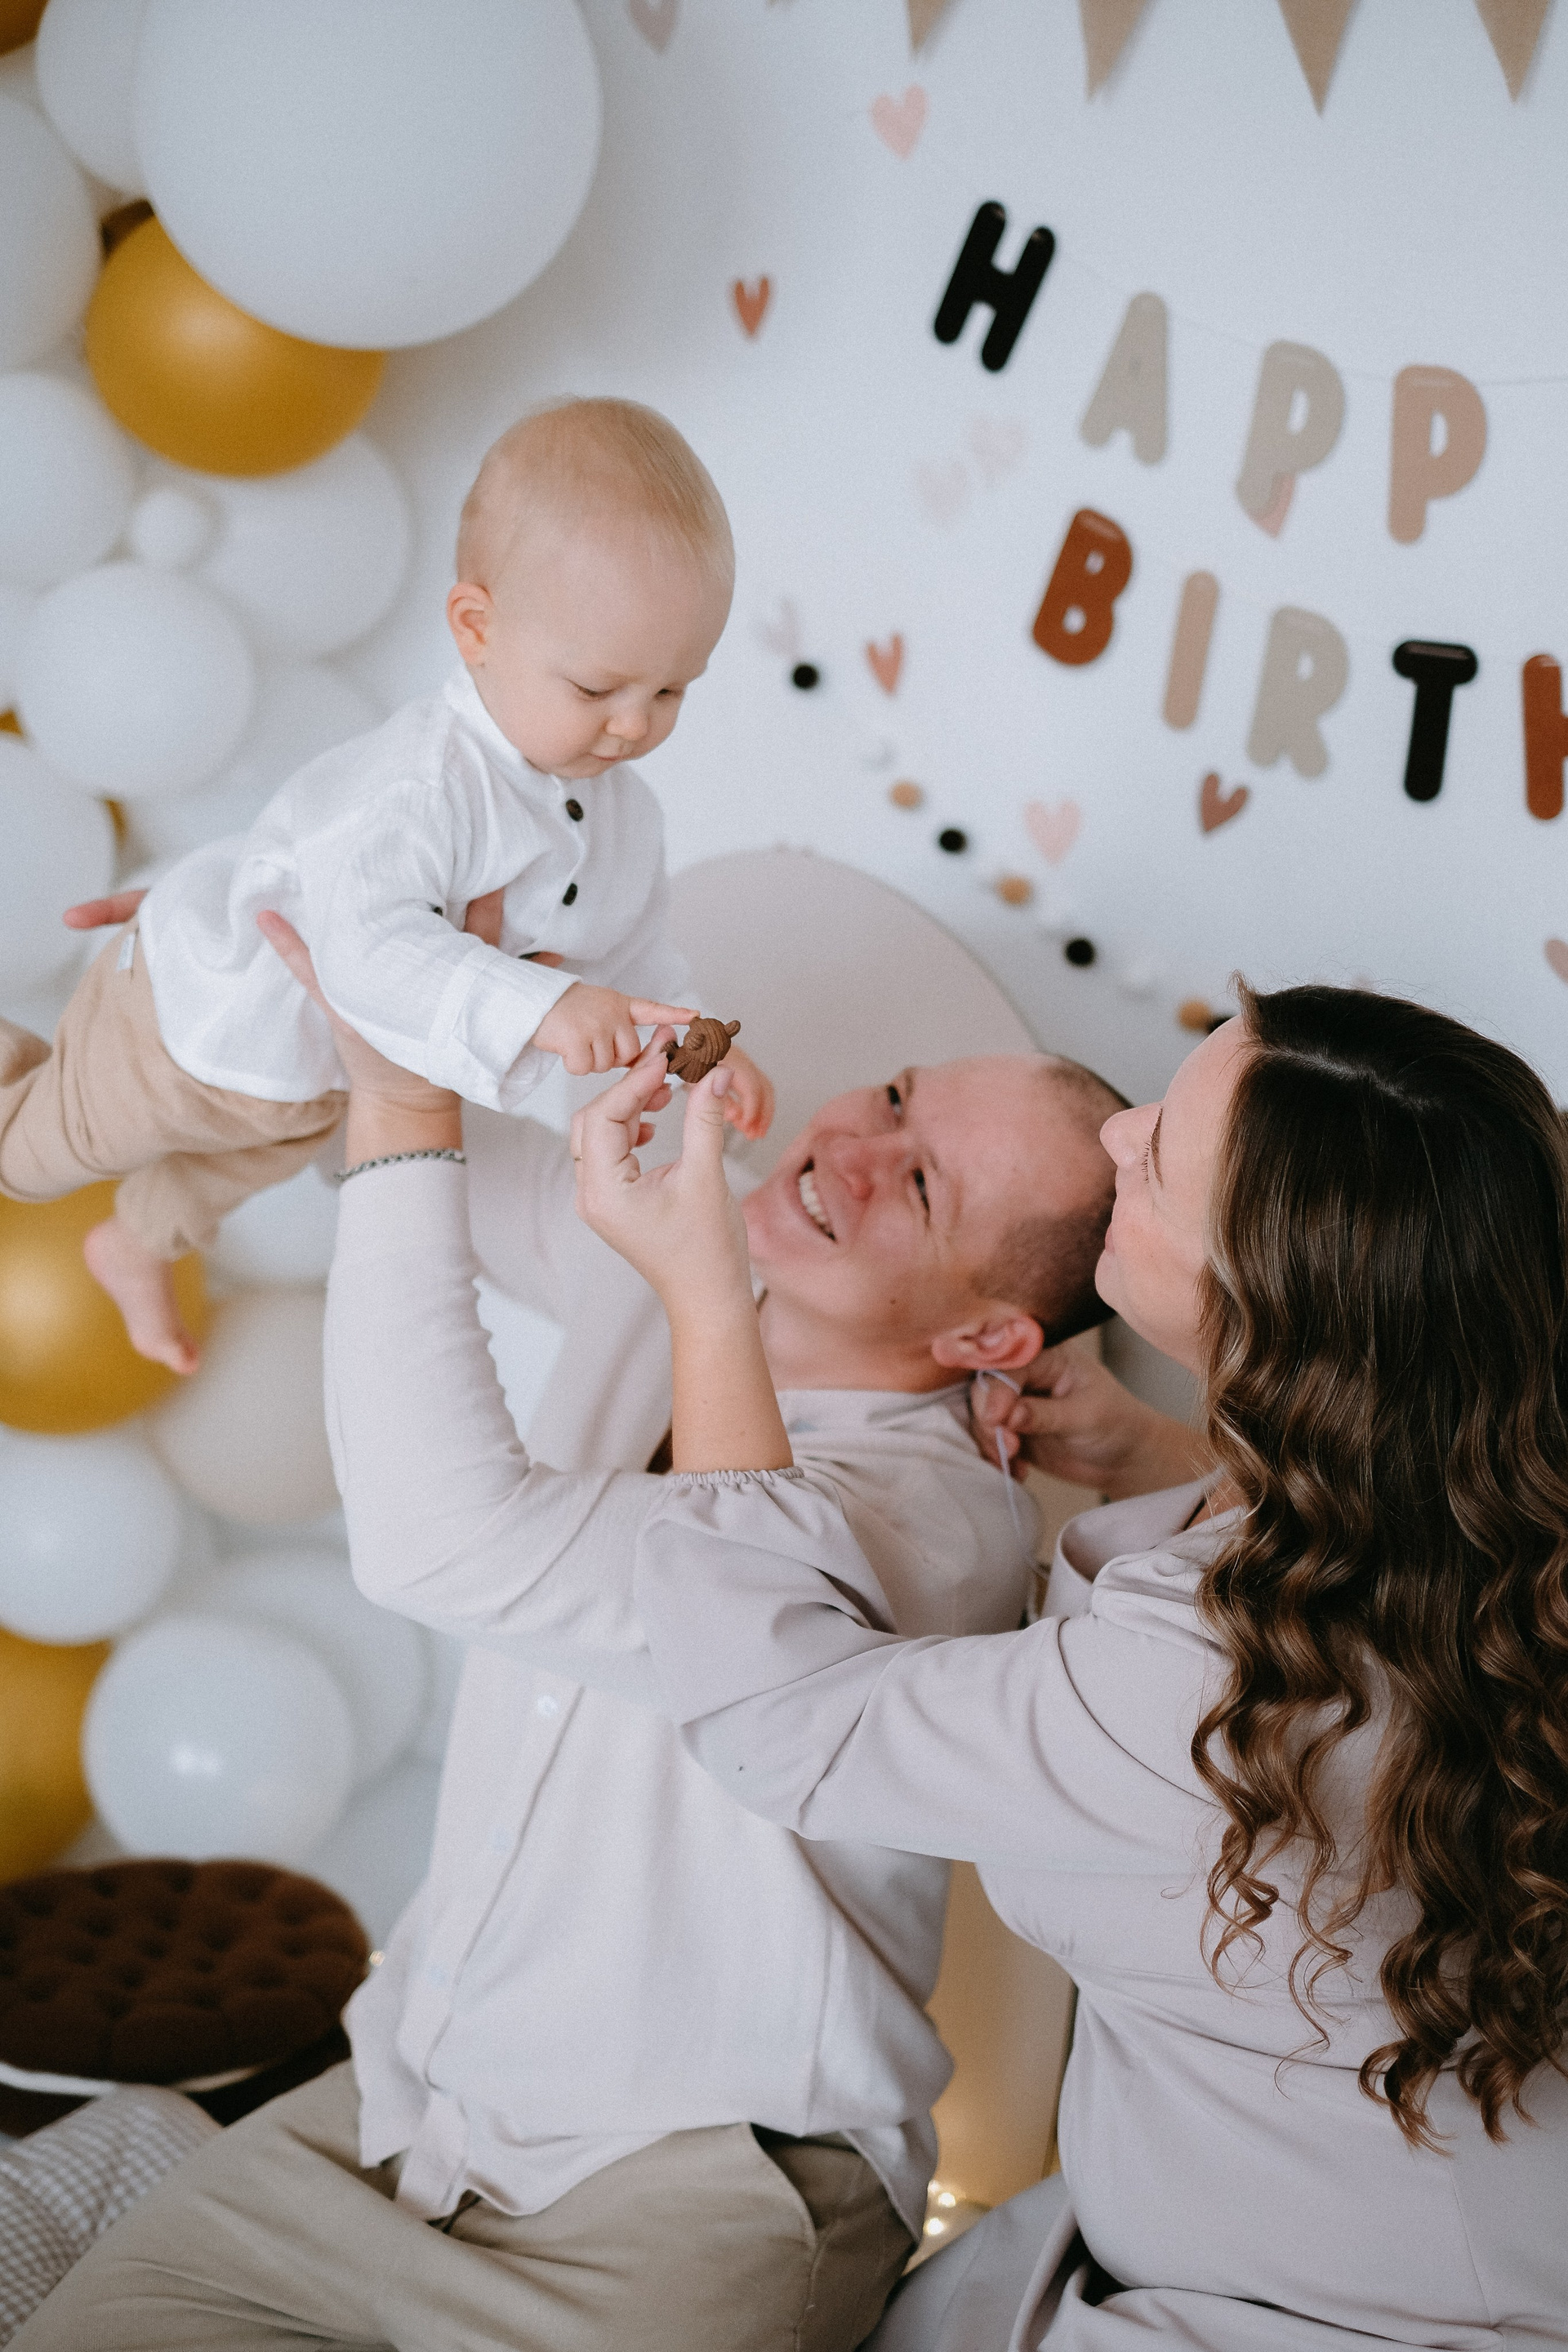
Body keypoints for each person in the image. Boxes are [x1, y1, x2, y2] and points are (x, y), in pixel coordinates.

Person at [15, 922, 1133, 2352]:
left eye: (919, 1184)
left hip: (693, 2201)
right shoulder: (688, 1256)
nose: (853, 1145)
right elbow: (375, 1120)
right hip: (396, 2116)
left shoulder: (932, 1525)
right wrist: (253, 929)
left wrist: (405, 1109)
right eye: (900, 1097)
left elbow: (438, 1537)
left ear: (988, 1343)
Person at [566, 985, 1568, 2350]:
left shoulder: (1196, 1683)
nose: (1113, 1138)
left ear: (1262, 1310)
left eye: (1152, 1160)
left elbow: (782, 1722)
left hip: (1342, 2305)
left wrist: (705, 1304)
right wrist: (1168, 1460)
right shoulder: (1493, 1510)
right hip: (1232, 2208)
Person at [1, 397, 770, 1377]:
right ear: (477, 627)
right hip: (194, 1018)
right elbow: (367, 949)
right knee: (30, 1154)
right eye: (596, 689)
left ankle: (134, 1243)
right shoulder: (428, 783)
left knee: (231, 1168)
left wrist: (695, 1045)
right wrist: (544, 1005)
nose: (634, 726)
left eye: (670, 691)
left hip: (310, 1078)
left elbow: (633, 952)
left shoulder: (625, 818)